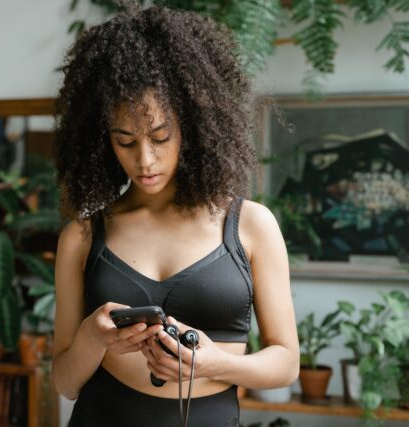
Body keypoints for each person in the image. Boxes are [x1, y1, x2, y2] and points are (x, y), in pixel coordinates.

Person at [52, 4, 299, 426]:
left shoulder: (251, 225)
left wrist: (213, 364)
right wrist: (93, 337)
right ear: (102, 140)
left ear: (195, 125)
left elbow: (286, 363)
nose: (144, 159)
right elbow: (65, 383)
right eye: (124, 140)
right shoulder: (82, 236)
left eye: (161, 137)